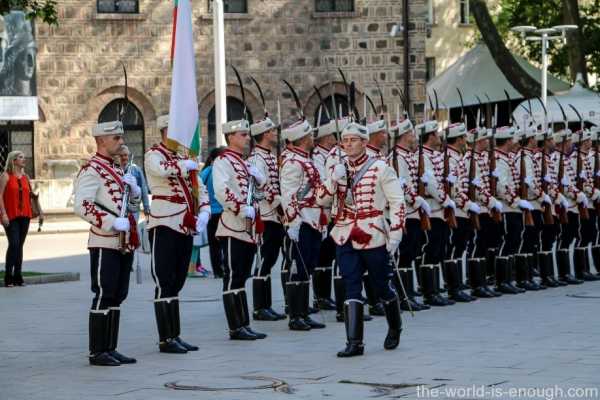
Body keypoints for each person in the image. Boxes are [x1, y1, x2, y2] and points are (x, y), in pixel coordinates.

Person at [321, 122, 405, 358]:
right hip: (345, 232)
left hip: (373, 233)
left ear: (364, 143)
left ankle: (395, 326)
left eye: (353, 140)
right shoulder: (339, 168)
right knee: (351, 284)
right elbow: (321, 199)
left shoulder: (380, 168)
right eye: (345, 140)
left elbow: (397, 201)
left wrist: (396, 233)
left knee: (381, 286)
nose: (348, 144)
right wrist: (332, 181)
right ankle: (354, 342)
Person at [73, 121, 141, 366]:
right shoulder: (92, 170)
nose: (121, 142)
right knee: (104, 293)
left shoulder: (118, 169)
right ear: (101, 140)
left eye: (121, 138)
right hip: (104, 240)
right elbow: (81, 205)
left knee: (118, 295)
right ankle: (97, 351)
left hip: (122, 242)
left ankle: (110, 347)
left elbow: (128, 206)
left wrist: (134, 195)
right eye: (116, 139)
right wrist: (111, 221)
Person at [145, 114, 211, 353]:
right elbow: (161, 171)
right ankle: (166, 339)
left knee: (178, 281)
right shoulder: (153, 154)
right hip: (165, 224)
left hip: (185, 224)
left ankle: (175, 335)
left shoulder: (184, 158)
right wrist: (185, 166)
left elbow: (199, 188)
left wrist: (204, 211)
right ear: (165, 132)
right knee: (165, 281)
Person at [212, 118, 269, 340]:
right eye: (243, 134)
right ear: (231, 137)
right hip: (233, 225)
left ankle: (244, 323)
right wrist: (239, 207)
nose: (247, 138)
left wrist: (259, 181)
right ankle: (236, 327)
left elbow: (256, 192)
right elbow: (221, 189)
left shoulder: (244, 163)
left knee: (242, 275)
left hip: (249, 226)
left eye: (247, 134)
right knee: (233, 275)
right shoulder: (223, 161)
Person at [280, 118, 327, 331]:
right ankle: (295, 315)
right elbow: (289, 195)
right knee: (297, 269)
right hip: (302, 222)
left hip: (313, 219)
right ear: (301, 139)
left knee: (307, 268)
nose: (312, 139)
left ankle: (304, 312)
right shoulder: (292, 162)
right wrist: (293, 222)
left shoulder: (304, 159)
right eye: (308, 136)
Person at [248, 116, 287, 321]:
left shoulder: (270, 156)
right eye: (272, 131)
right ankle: (259, 307)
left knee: (270, 259)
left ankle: (267, 305)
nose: (274, 134)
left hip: (275, 216)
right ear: (264, 134)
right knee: (263, 260)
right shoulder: (256, 159)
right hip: (265, 215)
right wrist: (277, 204)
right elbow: (257, 191)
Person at [0, 150, 34, 287]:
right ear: (13, 160)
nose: (24, 159)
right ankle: (8, 277)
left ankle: (18, 277)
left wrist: (39, 211)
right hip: (10, 215)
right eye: (21, 157)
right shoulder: (5, 176)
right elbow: (0, 196)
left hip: (25, 215)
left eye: (23, 157)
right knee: (14, 244)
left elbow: (30, 196)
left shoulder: (26, 177)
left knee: (19, 246)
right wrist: (3, 214)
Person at [200, 146, 226, 279]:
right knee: (223, 243)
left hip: (215, 212)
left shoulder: (207, 171)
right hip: (218, 212)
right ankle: (223, 269)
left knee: (215, 244)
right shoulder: (212, 171)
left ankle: (218, 270)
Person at [116, 145, 149, 221]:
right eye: (121, 155)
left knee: (133, 231)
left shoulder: (136, 169)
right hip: (118, 209)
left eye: (125, 155)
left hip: (133, 209)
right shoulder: (114, 170)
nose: (124, 157)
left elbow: (143, 188)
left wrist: (146, 207)